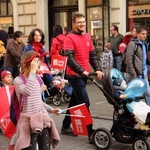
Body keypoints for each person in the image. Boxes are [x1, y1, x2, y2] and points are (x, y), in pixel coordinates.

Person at [61, 13, 103, 143]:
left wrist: (98, 69)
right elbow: (69, 59)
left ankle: (65, 126)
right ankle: (90, 132)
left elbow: (93, 56)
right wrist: (81, 71)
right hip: (74, 75)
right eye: (79, 22)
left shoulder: (87, 37)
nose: (82, 24)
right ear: (74, 24)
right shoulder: (69, 38)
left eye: (83, 21)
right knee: (85, 102)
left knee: (75, 100)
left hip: (84, 74)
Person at [9, 51, 60, 150]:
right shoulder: (18, 80)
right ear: (25, 66)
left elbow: (38, 101)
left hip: (42, 119)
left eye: (38, 66)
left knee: (45, 148)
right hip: (28, 123)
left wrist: (51, 109)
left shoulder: (38, 79)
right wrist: (32, 73)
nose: (37, 70)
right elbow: (27, 91)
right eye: (35, 67)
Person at [125, 26, 150, 106]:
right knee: (134, 95)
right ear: (137, 34)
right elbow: (128, 59)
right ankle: (133, 112)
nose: (144, 35)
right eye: (142, 34)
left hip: (144, 73)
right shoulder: (133, 44)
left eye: (145, 34)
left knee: (148, 93)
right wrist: (133, 73)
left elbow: (145, 59)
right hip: (135, 74)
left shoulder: (145, 44)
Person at [0, 70, 13, 134]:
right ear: (3, 79)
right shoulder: (1, 89)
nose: (10, 78)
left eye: (10, 77)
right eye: (7, 77)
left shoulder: (14, 87)